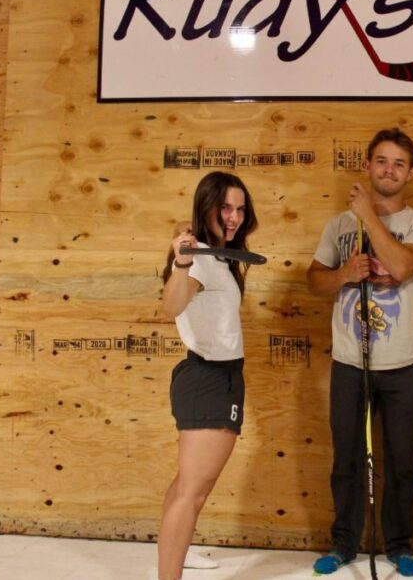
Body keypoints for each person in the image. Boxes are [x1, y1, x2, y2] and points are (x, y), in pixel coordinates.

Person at [307, 128, 413, 577]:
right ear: (368, 165)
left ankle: (398, 545)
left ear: (411, 172)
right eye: (381, 161)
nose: (389, 170)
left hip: (402, 365)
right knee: (346, 457)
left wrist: (369, 215)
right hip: (349, 363)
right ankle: (344, 543)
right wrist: (344, 272)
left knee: (402, 460)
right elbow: (313, 280)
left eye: (399, 163)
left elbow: (402, 266)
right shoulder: (338, 227)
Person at [156, 171, 258, 580]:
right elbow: (172, 305)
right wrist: (182, 262)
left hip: (218, 376)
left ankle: (174, 554)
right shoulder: (197, 254)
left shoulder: (215, 252)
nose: (233, 217)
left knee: (187, 485)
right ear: (207, 206)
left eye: (240, 209)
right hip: (208, 379)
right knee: (191, 492)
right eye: (225, 208)